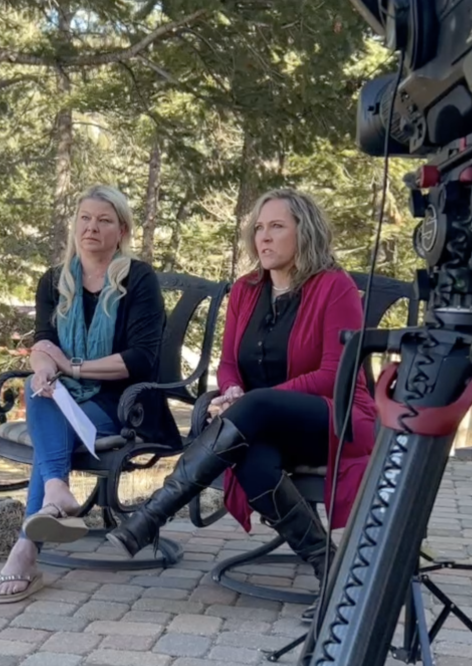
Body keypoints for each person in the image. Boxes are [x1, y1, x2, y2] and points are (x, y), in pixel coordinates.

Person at [103, 188, 377, 581]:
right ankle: (328, 566)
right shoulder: (246, 290)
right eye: (259, 228)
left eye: (277, 227)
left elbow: (336, 374)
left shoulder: (335, 287)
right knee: (248, 455)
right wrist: (232, 391)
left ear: (305, 232)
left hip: (335, 420)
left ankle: (151, 515)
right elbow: (230, 362)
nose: (263, 237)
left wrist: (252, 401)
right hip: (262, 423)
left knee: (254, 410)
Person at [0, 185, 180, 603]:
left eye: (104, 220)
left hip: (125, 403)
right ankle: (56, 493)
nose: (92, 227)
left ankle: (27, 549)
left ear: (121, 230)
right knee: (39, 389)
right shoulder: (56, 281)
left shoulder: (137, 279)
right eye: (85, 218)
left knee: (48, 420)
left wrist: (69, 367)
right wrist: (43, 366)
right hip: (66, 398)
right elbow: (44, 341)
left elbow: (140, 360)